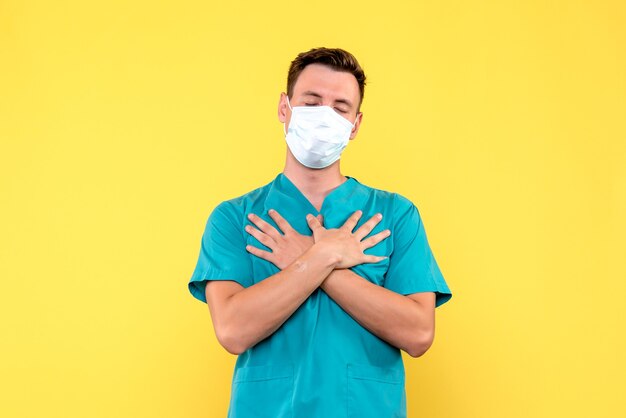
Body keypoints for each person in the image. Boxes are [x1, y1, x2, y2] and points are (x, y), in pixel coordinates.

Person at [188, 47, 452, 418]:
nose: (325, 116)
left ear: (355, 124)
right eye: (311, 102)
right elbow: (232, 330)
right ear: (284, 107)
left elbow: (419, 334)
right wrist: (324, 255)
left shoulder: (394, 215)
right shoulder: (235, 218)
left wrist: (306, 261)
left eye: (340, 107)